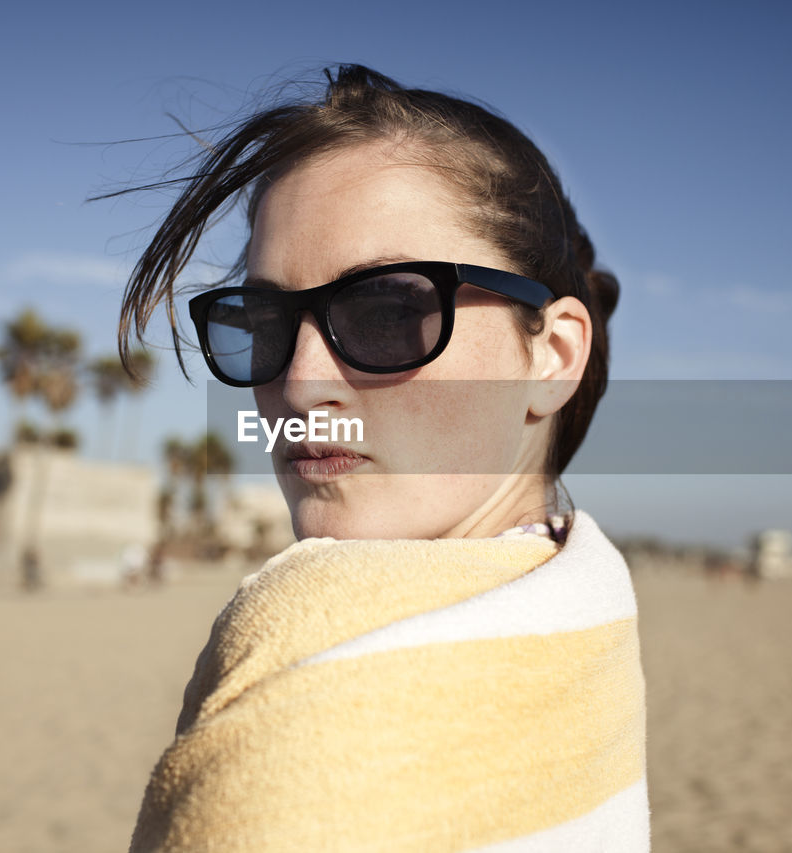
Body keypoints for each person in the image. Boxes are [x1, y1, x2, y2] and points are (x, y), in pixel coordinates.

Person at [117, 65, 649, 852]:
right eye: (261, 320)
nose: (299, 383)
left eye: (390, 310)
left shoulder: (308, 638)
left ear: (553, 354)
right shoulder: (587, 592)